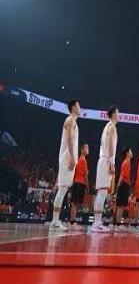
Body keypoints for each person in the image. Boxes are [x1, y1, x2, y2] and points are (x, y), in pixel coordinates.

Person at [50, 99, 81, 231]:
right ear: (73, 107)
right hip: (67, 158)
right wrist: (73, 158)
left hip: (68, 158)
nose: (80, 108)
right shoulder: (70, 120)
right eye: (79, 106)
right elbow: (69, 139)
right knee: (62, 189)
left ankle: (56, 220)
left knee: (63, 189)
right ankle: (54, 221)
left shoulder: (73, 121)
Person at [92, 106, 119, 233]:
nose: (119, 115)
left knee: (101, 192)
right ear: (113, 114)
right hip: (106, 160)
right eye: (117, 113)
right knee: (102, 192)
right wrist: (112, 163)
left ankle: (97, 222)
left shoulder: (106, 127)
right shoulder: (112, 127)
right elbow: (111, 147)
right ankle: (97, 223)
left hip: (103, 159)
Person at [69, 143, 89, 228]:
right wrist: (87, 186)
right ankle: (72, 222)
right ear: (82, 150)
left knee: (75, 203)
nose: (87, 149)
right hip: (79, 183)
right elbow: (85, 175)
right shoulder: (83, 160)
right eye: (86, 148)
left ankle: (73, 221)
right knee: (75, 203)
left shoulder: (80, 160)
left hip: (78, 183)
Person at [114, 147, 132, 231]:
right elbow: (122, 176)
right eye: (130, 151)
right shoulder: (126, 162)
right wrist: (118, 185)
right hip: (123, 185)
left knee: (121, 206)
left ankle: (118, 224)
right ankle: (118, 225)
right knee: (120, 206)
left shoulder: (127, 162)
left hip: (124, 185)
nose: (131, 152)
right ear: (127, 153)